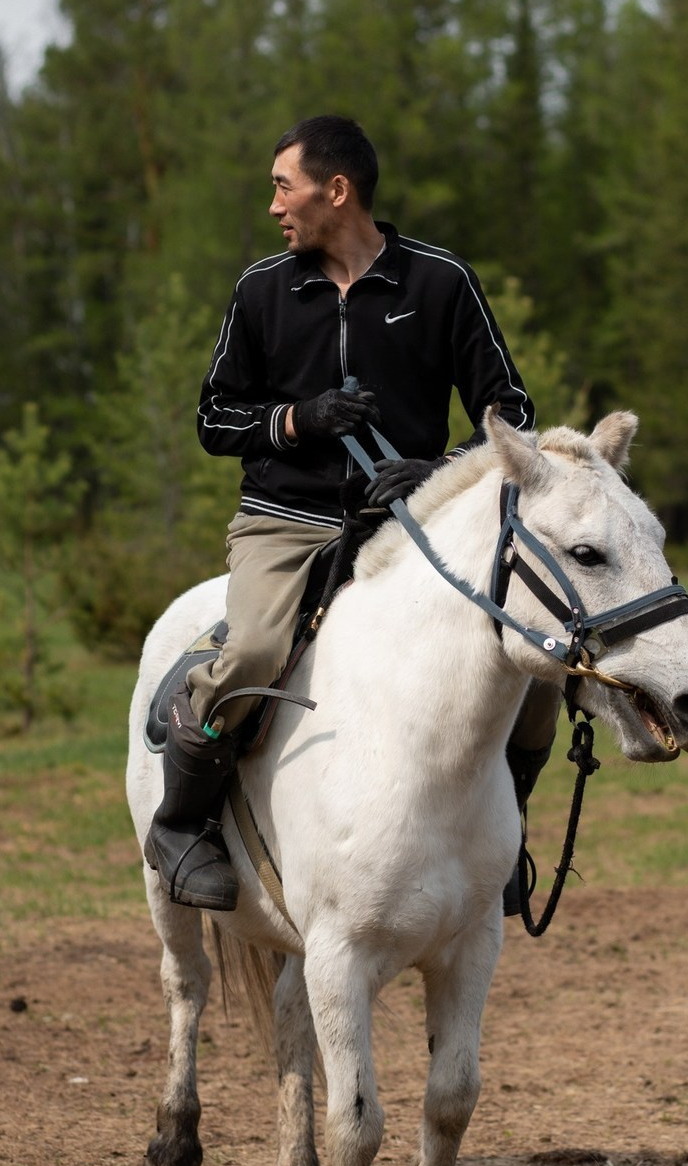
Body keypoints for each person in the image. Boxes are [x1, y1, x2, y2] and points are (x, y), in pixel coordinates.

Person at [144, 115, 559, 912]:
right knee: (259, 649)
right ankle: (182, 821)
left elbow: (511, 410)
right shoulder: (262, 290)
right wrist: (299, 421)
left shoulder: (441, 283)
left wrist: (439, 469)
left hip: (410, 528)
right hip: (284, 520)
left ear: (337, 191)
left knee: (533, 667)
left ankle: (500, 837)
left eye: (282, 186)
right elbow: (213, 420)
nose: (274, 206)